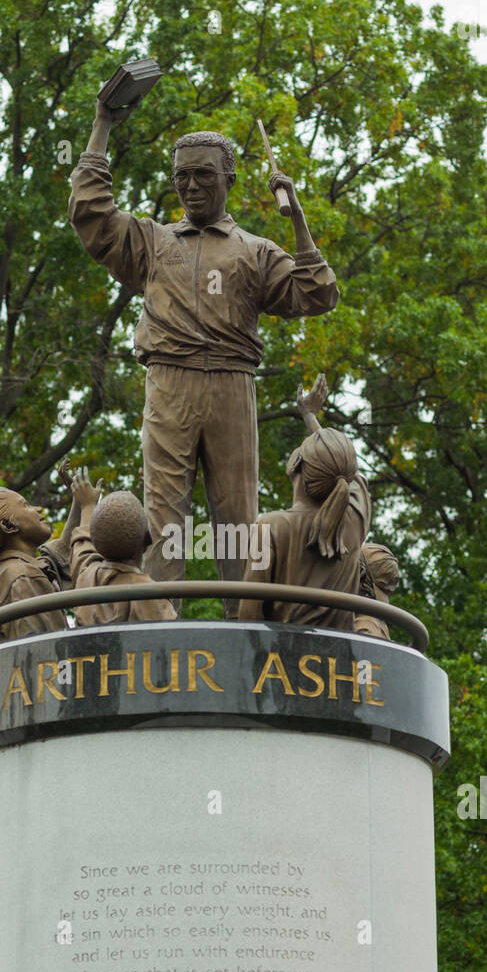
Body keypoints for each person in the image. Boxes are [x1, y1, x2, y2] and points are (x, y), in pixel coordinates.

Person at [68, 93, 339, 612]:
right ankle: (160, 624)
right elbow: (91, 213)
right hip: (168, 381)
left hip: (233, 385)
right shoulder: (152, 242)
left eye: (204, 176)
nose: (191, 186)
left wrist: (298, 219)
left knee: (238, 519)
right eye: (182, 176)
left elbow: (317, 292)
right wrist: (102, 122)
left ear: (229, 180)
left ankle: (247, 626)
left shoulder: (254, 251)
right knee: (164, 516)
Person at [296, 374, 399, 638]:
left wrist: (309, 415)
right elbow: (347, 475)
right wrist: (310, 416)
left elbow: (338, 467)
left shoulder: (284, 529)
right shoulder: (353, 527)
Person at [236, 428, 365, 632]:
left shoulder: (269, 527)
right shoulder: (352, 526)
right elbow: (352, 477)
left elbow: (249, 613)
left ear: (296, 463)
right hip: (340, 657)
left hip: (283, 655)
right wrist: (312, 418)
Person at [0, 485, 75, 644]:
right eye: (26, 505)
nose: (39, 509)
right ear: (8, 525)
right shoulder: (22, 577)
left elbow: (58, 557)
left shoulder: (15, 571)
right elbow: (44, 651)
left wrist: (81, 503)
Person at [67, 467, 176, 626]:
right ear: (147, 539)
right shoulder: (154, 597)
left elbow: (83, 550)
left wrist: (87, 506)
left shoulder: (86, 579)